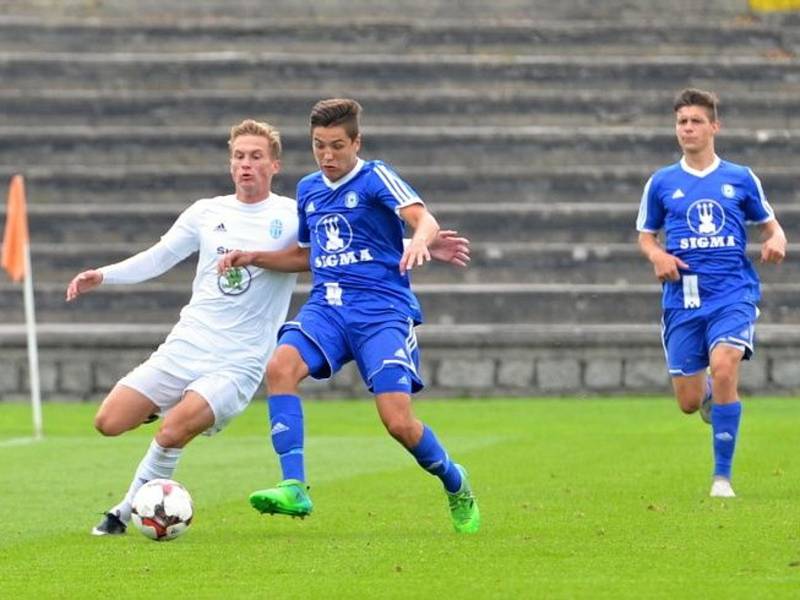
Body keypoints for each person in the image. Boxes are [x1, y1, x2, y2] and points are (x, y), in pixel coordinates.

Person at [65, 118, 471, 536]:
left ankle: (123, 512)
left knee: (173, 432)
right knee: (108, 422)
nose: (246, 165)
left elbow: (342, 244)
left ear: (274, 164)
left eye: (256, 157)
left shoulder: (288, 211)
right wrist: (104, 275)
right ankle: (183, 416)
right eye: (239, 156)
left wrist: (419, 241)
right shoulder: (207, 212)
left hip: (240, 360)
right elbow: (159, 256)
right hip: (186, 345)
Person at [218, 98, 480, 533]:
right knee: (280, 367)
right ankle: (294, 486)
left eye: (337, 146)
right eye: (319, 145)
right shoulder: (309, 190)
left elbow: (423, 218)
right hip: (328, 308)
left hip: (381, 312)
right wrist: (255, 257)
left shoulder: (376, 177)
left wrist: (419, 241)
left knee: (397, 423)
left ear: (356, 142)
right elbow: (309, 255)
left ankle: (455, 479)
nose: (327, 156)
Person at [636, 88, 786, 498]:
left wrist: (777, 240)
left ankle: (722, 478)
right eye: (682, 121)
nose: (688, 128)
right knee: (687, 402)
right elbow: (646, 236)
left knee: (724, 366)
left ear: (714, 127)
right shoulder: (662, 182)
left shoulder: (739, 177)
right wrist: (657, 256)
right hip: (683, 298)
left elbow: (771, 225)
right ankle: (704, 397)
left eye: (696, 121)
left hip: (732, 293)